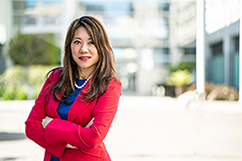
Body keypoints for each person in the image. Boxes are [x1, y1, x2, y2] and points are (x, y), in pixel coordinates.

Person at [25, 16, 122, 161]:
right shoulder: (56, 78)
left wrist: (51, 125)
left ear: (101, 47)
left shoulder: (109, 85)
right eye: (77, 42)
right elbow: (31, 127)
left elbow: (93, 138)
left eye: (91, 43)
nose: (84, 49)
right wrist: (69, 142)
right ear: (69, 46)